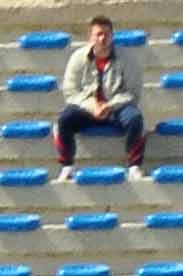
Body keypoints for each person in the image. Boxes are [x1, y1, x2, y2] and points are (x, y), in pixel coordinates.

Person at [58, 15, 149, 176]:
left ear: (112, 36)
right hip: (87, 109)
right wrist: (92, 106)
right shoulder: (78, 58)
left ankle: (134, 166)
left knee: (135, 119)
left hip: (116, 109)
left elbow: (132, 93)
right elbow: (70, 92)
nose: (103, 38)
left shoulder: (127, 58)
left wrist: (110, 105)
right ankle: (68, 166)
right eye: (98, 34)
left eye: (107, 34)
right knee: (64, 119)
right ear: (90, 37)